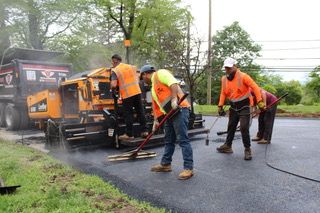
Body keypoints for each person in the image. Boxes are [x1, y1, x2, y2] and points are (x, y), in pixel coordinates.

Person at [140, 65, 194, 180]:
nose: (142, 79)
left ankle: (188, 168)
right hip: (169, 114)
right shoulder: (153, 88)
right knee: (168, 140)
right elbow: (156, 107)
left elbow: (173, 84)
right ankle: (165, 164)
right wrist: (155, 121)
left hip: (180, 109)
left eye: (142, 77)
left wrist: (174, 99)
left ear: (145, 74)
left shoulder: (161, 73)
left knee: (183, 139)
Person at [216, 57, 265, 160]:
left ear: (235, 66)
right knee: (231, 126)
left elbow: (255, 88)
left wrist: (260, 101)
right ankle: (227, 146)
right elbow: (223, 93)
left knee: (243, 127)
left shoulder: (243, 76)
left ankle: (247, 149)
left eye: (229, 67)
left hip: (245, 106)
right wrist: (220, 105)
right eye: (226, 68)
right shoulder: (224, 79)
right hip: (233, 106)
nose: (227, 70)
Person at [110, 54, 148, 141]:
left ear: (115, 61)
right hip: (137, 91)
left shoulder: (115, 70)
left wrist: (113, 87)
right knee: (140, 111)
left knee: (128, 114)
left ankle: (129, 134)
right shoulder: (131, 67)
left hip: (127, 94)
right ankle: (145, 131)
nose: (112, 63)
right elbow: (138, 78)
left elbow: (113, 84)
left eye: (112, 62)